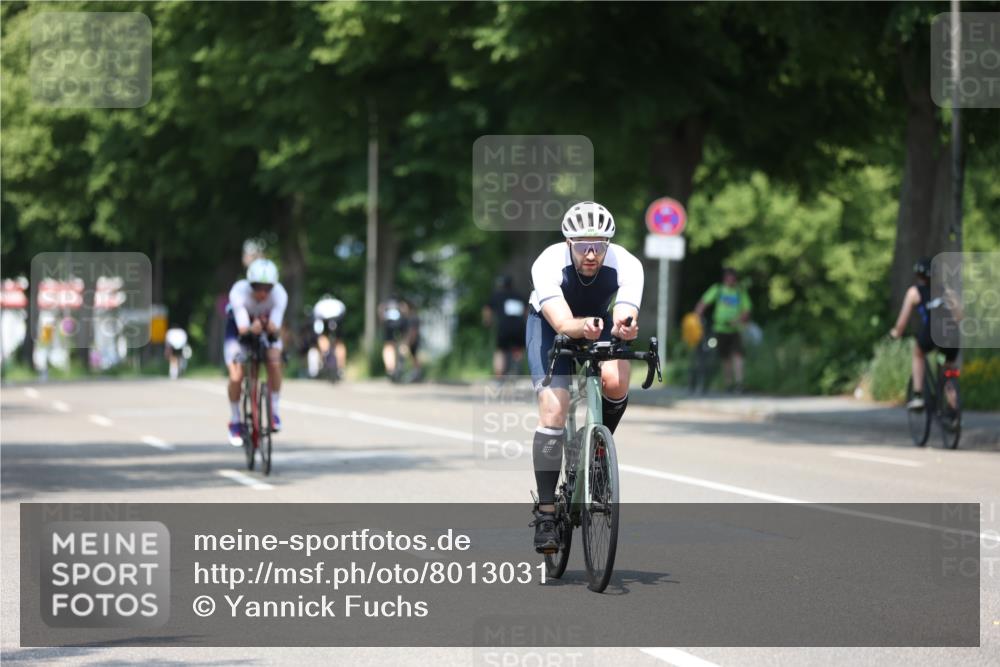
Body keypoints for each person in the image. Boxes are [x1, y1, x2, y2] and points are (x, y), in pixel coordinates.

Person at [526, 201, 643, 553]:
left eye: (599, 245)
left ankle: (596, 454)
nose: (591, 254)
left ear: (608, 244)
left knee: (617, 380)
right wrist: (581, 328)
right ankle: (547, 513)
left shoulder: (627, 263)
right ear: (568, 243)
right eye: (582, 246)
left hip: (598, 321)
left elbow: (624, 311)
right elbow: (563, 322)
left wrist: (624, 327)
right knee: (554, 409)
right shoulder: (548, 262)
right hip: (550, 324)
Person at [224, 258, 288, 446]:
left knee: (274, 360)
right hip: (238, 329)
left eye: (268, 288)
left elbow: (275, 328)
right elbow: (243, 329)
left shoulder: (280, 294)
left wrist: (268, 327)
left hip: (265, 328)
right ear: (249, 284)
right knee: (236, 375)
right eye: (257, 287)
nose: (262, 293)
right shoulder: (238, 291)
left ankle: (274, 410)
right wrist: (253, 328)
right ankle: (235, 419)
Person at [889, 257, 961, 411]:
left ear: (919, 276)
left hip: (931, 333)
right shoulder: (947, 291)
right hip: (951, 334)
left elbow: (901, 323)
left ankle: (918, 395)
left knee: (918, 353)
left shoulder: (914, 292)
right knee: (948, 368)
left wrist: (895, 333)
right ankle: (954, 411)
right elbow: (959, 316)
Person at [694, 267, 751, 392]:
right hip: (720, 329)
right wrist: (696, 317)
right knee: (725, 357)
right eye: (729, 278)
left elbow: (747, 310)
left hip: (735, 329)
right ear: (725, 278)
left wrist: (739, 320)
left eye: (733, 278)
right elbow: (703, 303)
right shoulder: (718, 289)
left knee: (738, 354)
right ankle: (728, 383)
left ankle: (739, 383)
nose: (731, 280)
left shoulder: (739, 291)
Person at [483, 275, 527, 378]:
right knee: (518, 349)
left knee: (500, 350)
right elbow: (526, 312)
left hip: (503, 328)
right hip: (519, 328)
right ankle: (516, 371)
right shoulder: (519, 296)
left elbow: (487, 309)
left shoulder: (497, 295)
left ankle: (499, 375)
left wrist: (487, 321)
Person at [379, 295, 421, 380]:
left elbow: (412, 332)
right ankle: (399, 368)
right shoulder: (405, 316)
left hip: (409, 338)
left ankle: (399, 370)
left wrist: (407, 341)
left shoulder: (412, 318)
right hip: (406, 337)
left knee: (408, 353)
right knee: (406, 351)